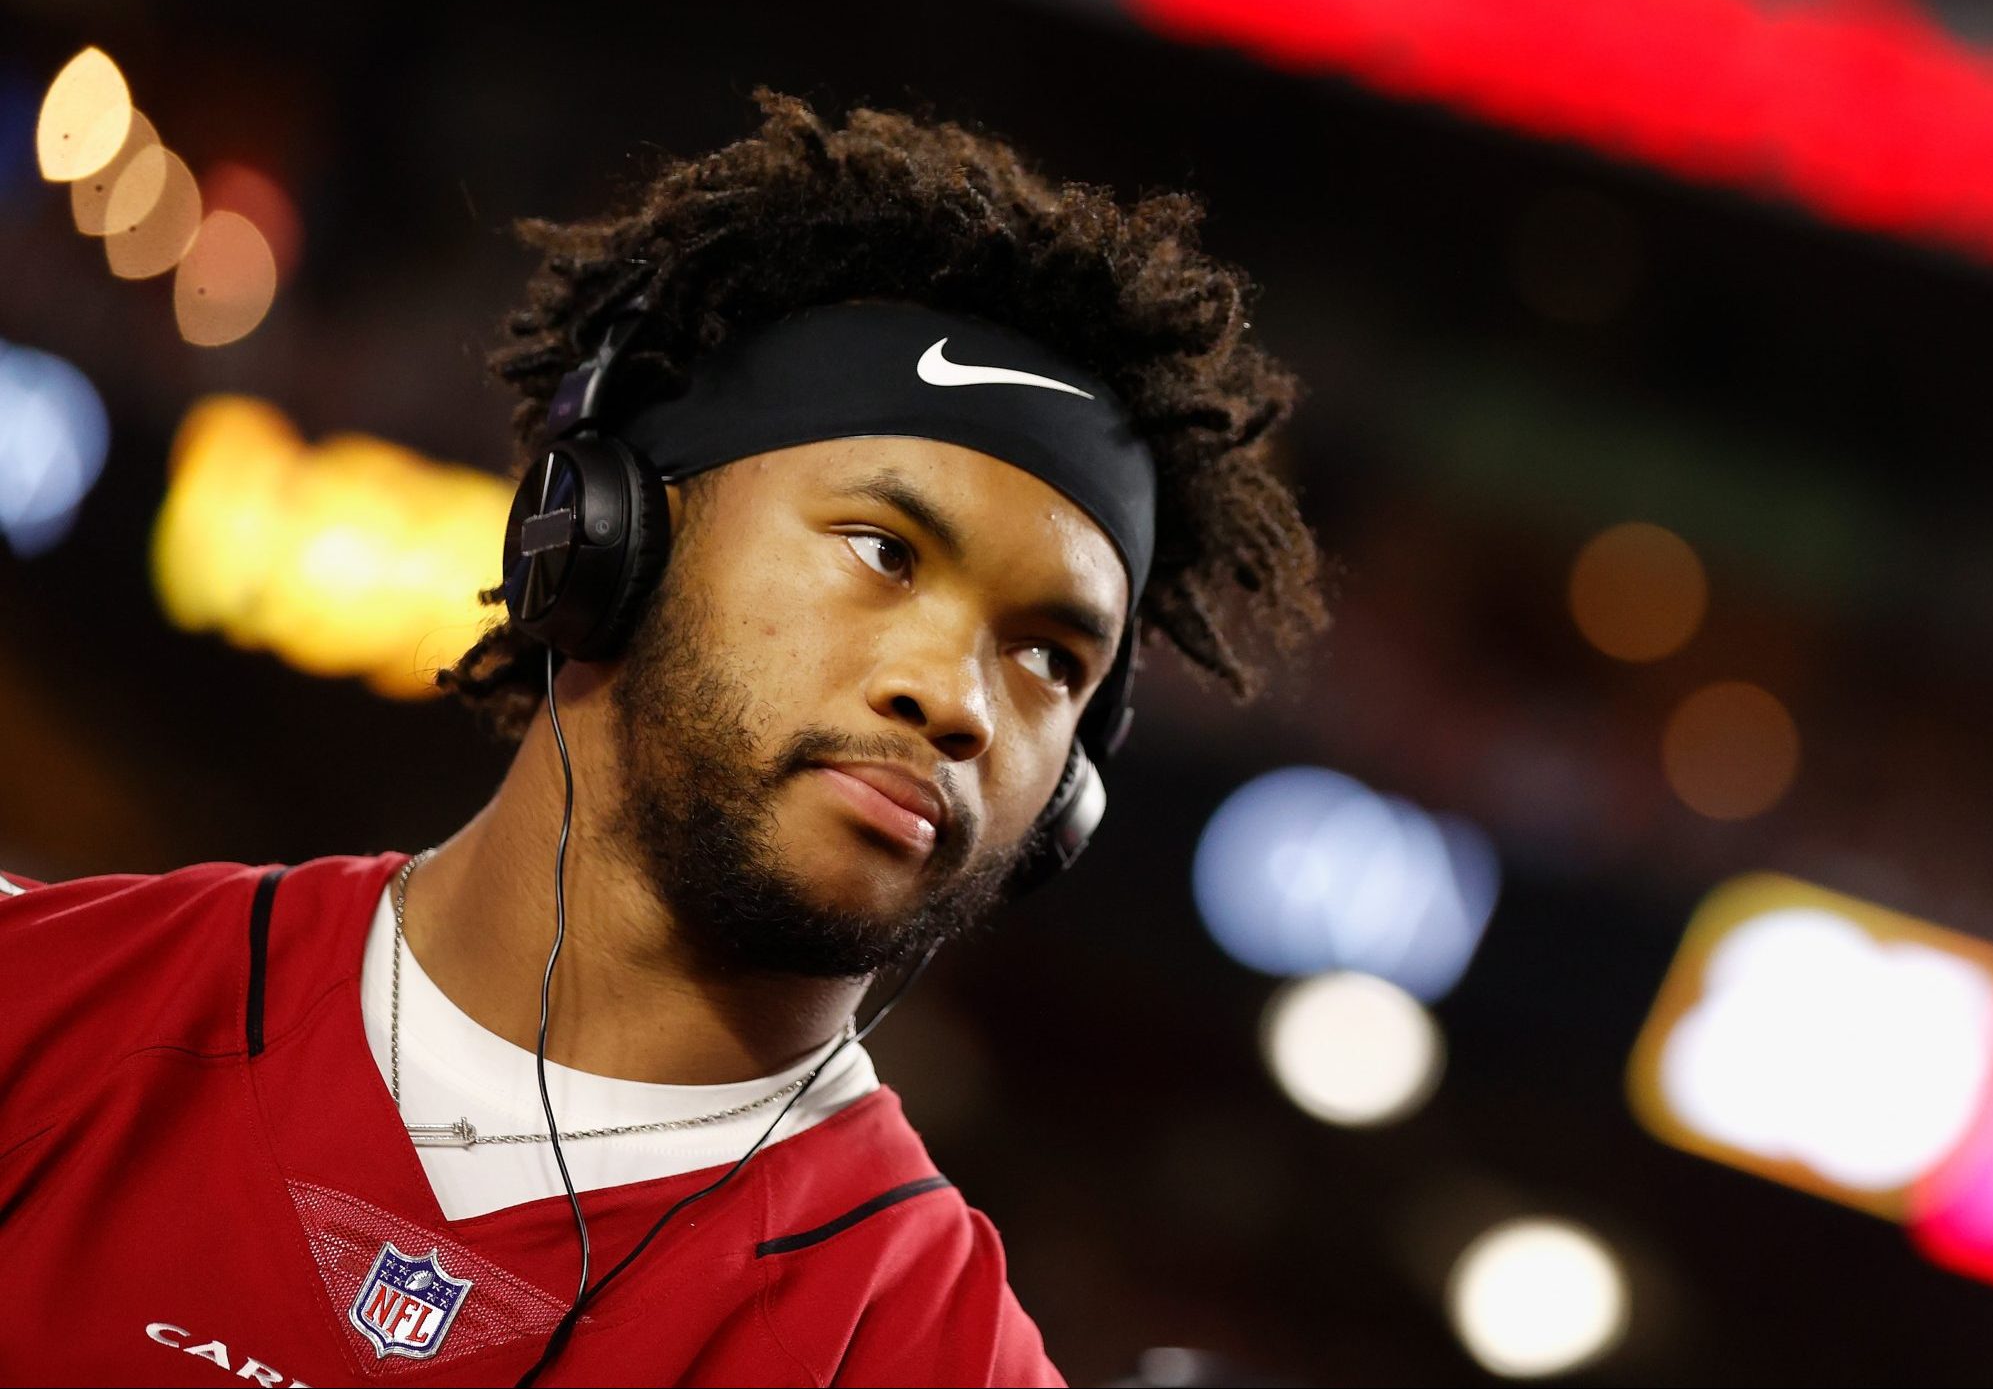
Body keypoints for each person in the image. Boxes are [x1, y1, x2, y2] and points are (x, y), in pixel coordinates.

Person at [0, 91, 1324, 1386]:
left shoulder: (934, 1355)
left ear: (1069, 795)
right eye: (882, 548)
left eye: (1050, 655)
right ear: (603, 538)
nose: (959, 697)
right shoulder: (47, 1008)